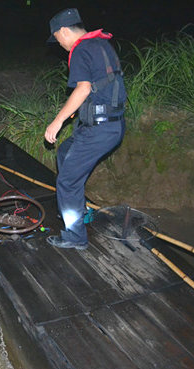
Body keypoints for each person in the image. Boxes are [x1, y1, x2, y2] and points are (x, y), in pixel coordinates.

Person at [45, 8, 126, 250]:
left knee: (67, 182)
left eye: (57, 38)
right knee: (65, 153)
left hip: (99, 130)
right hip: (110, 126)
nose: (58, 44)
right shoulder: (100, 45)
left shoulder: (81, 49)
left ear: (64, 31)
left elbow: (83, 89)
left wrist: (57, 121)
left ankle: (75, 237)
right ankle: (73, 210)